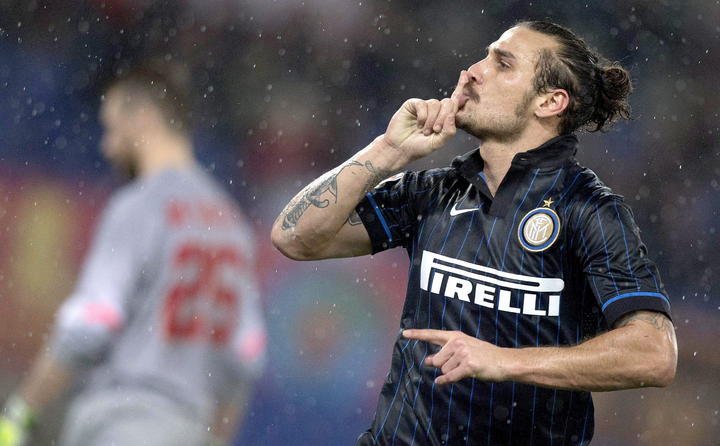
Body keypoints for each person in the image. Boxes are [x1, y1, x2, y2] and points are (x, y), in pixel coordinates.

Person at [271, 21, 677, 445]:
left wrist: (504, 361)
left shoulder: (590, 211)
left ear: (550, 102)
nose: (473, 71)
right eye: (485, 57)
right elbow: (294, 237)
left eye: (503, 64)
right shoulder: (432, 192)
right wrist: (389, 150)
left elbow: (654, 354)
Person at [0, 64, 267, 446]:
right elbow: (246, 356)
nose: (107, 146)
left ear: (143, 118)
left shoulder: (140, 205)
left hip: (122, 420)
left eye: (112, 129)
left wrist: (22, 410)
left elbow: (92, 323)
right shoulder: (233, 225)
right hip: (189, 425)